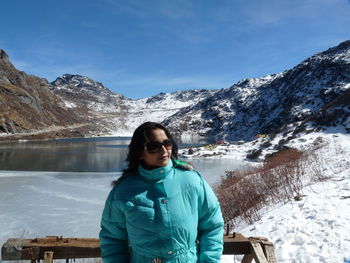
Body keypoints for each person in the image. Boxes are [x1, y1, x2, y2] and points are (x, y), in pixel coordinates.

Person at [99, 122, 224, 263]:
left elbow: (212, 225)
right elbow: (112, 240)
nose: (164, 150)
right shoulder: (122, 192)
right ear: (140, 152)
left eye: (167, 143)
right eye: (154, 147)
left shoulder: (192, 181)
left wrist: (209, 261)